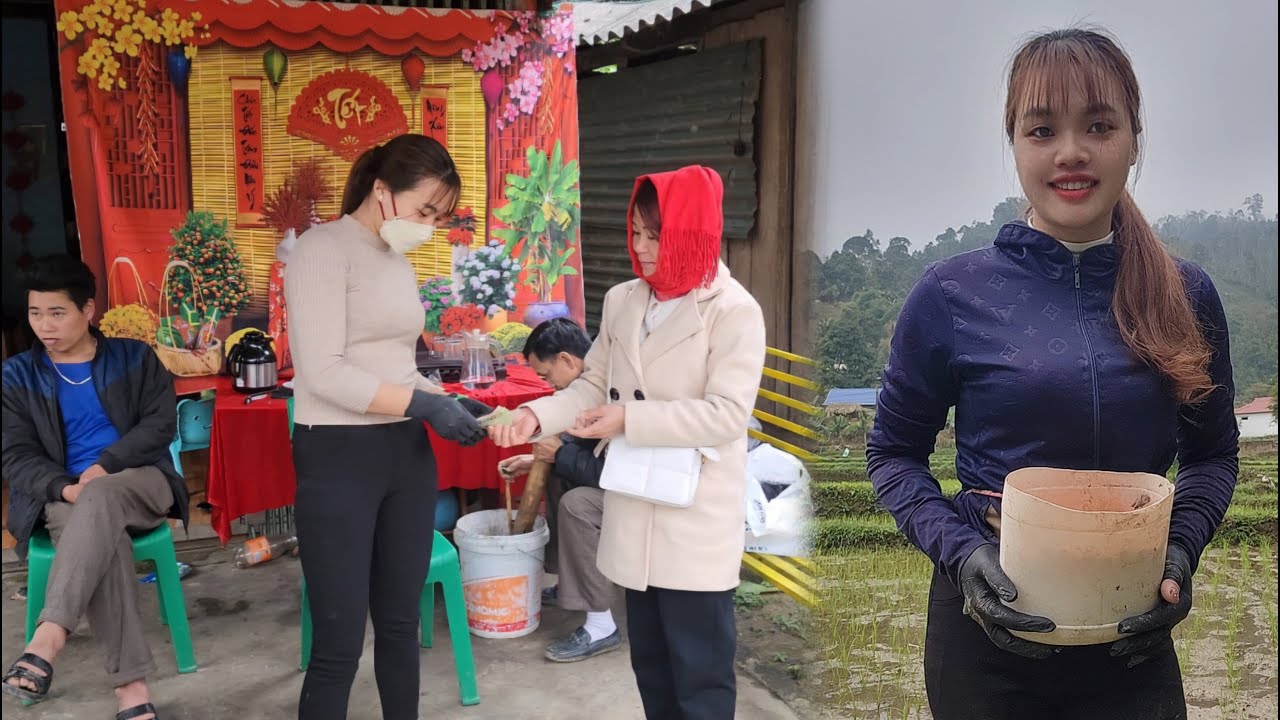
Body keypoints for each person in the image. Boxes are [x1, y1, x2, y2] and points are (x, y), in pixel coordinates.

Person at [866, 28, 1238, 720]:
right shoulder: (951, 293)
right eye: (1043, 129)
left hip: (1132, 638)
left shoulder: (1186, 294)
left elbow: (1213, 455)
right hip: (988, 639)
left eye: (1099, 125)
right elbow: (893, 452)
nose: (1071, 151)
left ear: (1132, 137)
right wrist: (961, 553)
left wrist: (1180, 553)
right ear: (1015, 145)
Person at [490, 165, 767, 719]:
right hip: (634, 505)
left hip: (693, 518)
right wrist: (534, 415)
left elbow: (727, 414)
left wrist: (628, 421)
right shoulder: (624, 301)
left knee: (702, 677)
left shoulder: (734, 312)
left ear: (692, 235)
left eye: (655, 236)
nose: (640, 249)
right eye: (635, 233)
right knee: (653, 668)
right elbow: (592, 382)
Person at [284, 133, 488, 720]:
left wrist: (445, 399)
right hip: (338, 459)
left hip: (404, 454)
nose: (429, 224)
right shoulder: (323, 250)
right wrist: (422, 405)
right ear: (381, 190)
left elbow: (396, 365)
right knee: (339, 643)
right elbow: (323, 372)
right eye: (425, 210)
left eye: (439, 216)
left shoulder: (395, 262)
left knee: (401, 624)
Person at [2, 255, 189, 720]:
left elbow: (160, 423)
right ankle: (132, 689)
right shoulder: (16, 376)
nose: (44, 326)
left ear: (88, 309)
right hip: (63, 495)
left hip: (140, 480)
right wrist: (65, 489)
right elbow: (15, 455)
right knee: (103, 542)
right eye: (34, 313)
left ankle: (49, 636)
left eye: (57, 313)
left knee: (101, 496)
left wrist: (105, 466)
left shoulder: (133, 357)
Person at [497, 317, 622, 663]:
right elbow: (580, 436)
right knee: (555, 473)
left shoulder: (616, 384)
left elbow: (614, 470)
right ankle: (569, 583)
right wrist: (537, 457)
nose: (547, 385)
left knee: (577, 505)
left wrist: (561, 454)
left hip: (645, 489)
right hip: (619, 476)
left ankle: (601, 625)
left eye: (546, 375)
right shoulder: (588, 383)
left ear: (567, 360)